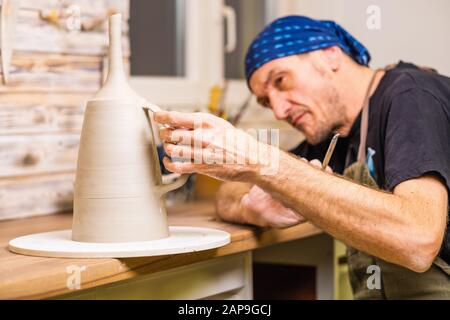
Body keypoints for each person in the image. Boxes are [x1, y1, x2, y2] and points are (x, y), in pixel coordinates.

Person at [154, 16, 450, 299]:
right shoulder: (332, 133)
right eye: (266, 102)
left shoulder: (410, 96)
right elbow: (229, 194)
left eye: (281, 81)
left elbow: (417, 239)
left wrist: (259, 162)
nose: (280, 111)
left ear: (329, 56)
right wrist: (251, 207)